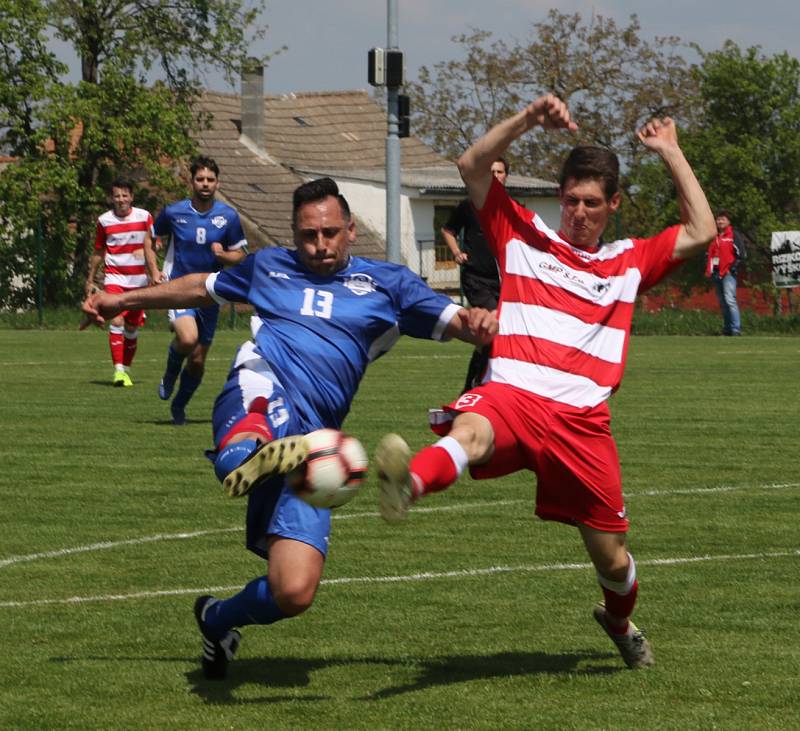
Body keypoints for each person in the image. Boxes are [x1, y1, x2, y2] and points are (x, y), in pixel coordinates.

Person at [82, 177, 497, 680]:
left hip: (319, 442)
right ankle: (263, 446)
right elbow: (201, 287)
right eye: (307, 236)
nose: (318, 245)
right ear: (293, 234)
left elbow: (457, 321)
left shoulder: (388, 285)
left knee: (294, 591)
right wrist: (122, 301)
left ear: (349, 230)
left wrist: (480, 322)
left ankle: (217, 619)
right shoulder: (268, 266)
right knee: (242, 453)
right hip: (262, 383)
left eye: (328, 233)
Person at [376, 95, 716, 670]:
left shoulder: (629, 261)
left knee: (612, 562)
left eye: (590, 203)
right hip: (515, 395)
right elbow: (471, 166)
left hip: (583, 424)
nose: (577, 212)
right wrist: (527, 121)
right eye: (570, 200)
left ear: (612, 204)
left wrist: (671, 151)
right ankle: (409, 482)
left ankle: (617, 619)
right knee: (472, 428)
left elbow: (702, 229)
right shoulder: (523, 236)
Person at [147, 156, 248, 424]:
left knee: (198, 361)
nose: (205, 184)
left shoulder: (228, 216)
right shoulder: (173, 212)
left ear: (217, 183)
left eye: (210, 180)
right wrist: (155, 271)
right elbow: (151, 238)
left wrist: (224, 255)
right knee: (188, 339)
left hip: (212, 293)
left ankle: (179, 405)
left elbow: (240, 255)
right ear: (191, 181)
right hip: (179, 288)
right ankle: (170, 373)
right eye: (200, 179)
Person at [441, 157, 508, 392]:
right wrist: (457, 252)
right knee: (494, 329)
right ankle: (474, 387)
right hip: (476, 279)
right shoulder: (469, 206)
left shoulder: (510, 207)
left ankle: (478, 387)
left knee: (492, 338)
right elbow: (448, 229)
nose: (496, 176)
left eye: (500, 172)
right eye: (492, 172)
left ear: (506, 176)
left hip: (502, 282)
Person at [85, 179, 154, 387]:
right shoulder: (104, 221)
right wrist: (90, 278)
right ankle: (118, 371)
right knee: (116, 321)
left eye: (125, 195)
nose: (121, 199)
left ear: (131, 197)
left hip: (139, 282)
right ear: (111, 198)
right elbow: (98, 251)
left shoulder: (145, 217)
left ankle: (126, 370)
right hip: (114, 280)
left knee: (132, 328)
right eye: (117, 196)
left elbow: (155, 244)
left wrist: (148, 258)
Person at [705, 209, 746, 335]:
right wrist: (710, 270)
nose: (720, 221)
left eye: (723, 219)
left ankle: (736, 329)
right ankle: (727, 329)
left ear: (728, 221)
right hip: (716, 273)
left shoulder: (733, 235)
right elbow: (709, 255)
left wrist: (733, 267)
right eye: (718, 219)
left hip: (728, 273)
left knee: (730, 300)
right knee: (723, 302)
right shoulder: (715, 237)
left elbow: (741, 254)